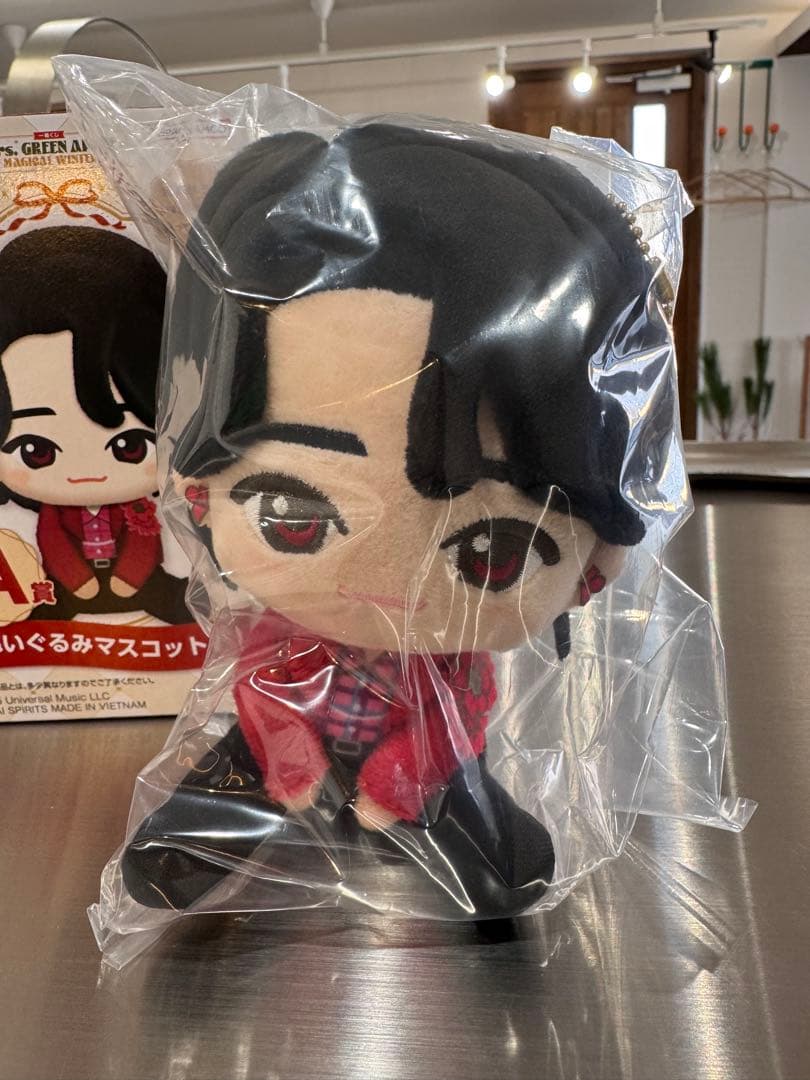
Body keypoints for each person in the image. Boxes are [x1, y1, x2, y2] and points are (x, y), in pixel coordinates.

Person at [122, 123, 674, 916]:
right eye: (293, 516)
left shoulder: (454, 675)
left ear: (596, 561)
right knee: (242, 761)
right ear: (201, 487)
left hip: (420, 749)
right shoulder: (278, 646)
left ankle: (438, 818)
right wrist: (292, 764)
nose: (383, 582)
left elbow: (452, 727)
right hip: (284, 734)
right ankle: (241, 809)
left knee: (485, 835)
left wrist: (398, 780)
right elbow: (261, 699)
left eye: (493, 551)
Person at [0, 225, 189, 624]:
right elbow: (53, 543)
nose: (86, 473)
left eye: (130, 446)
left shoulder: (141, 506)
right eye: (37, 451)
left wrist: (129, 577)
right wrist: (78, 579)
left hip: (141, 585)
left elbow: (143, 542)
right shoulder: (53, 516)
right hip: (67, 589)